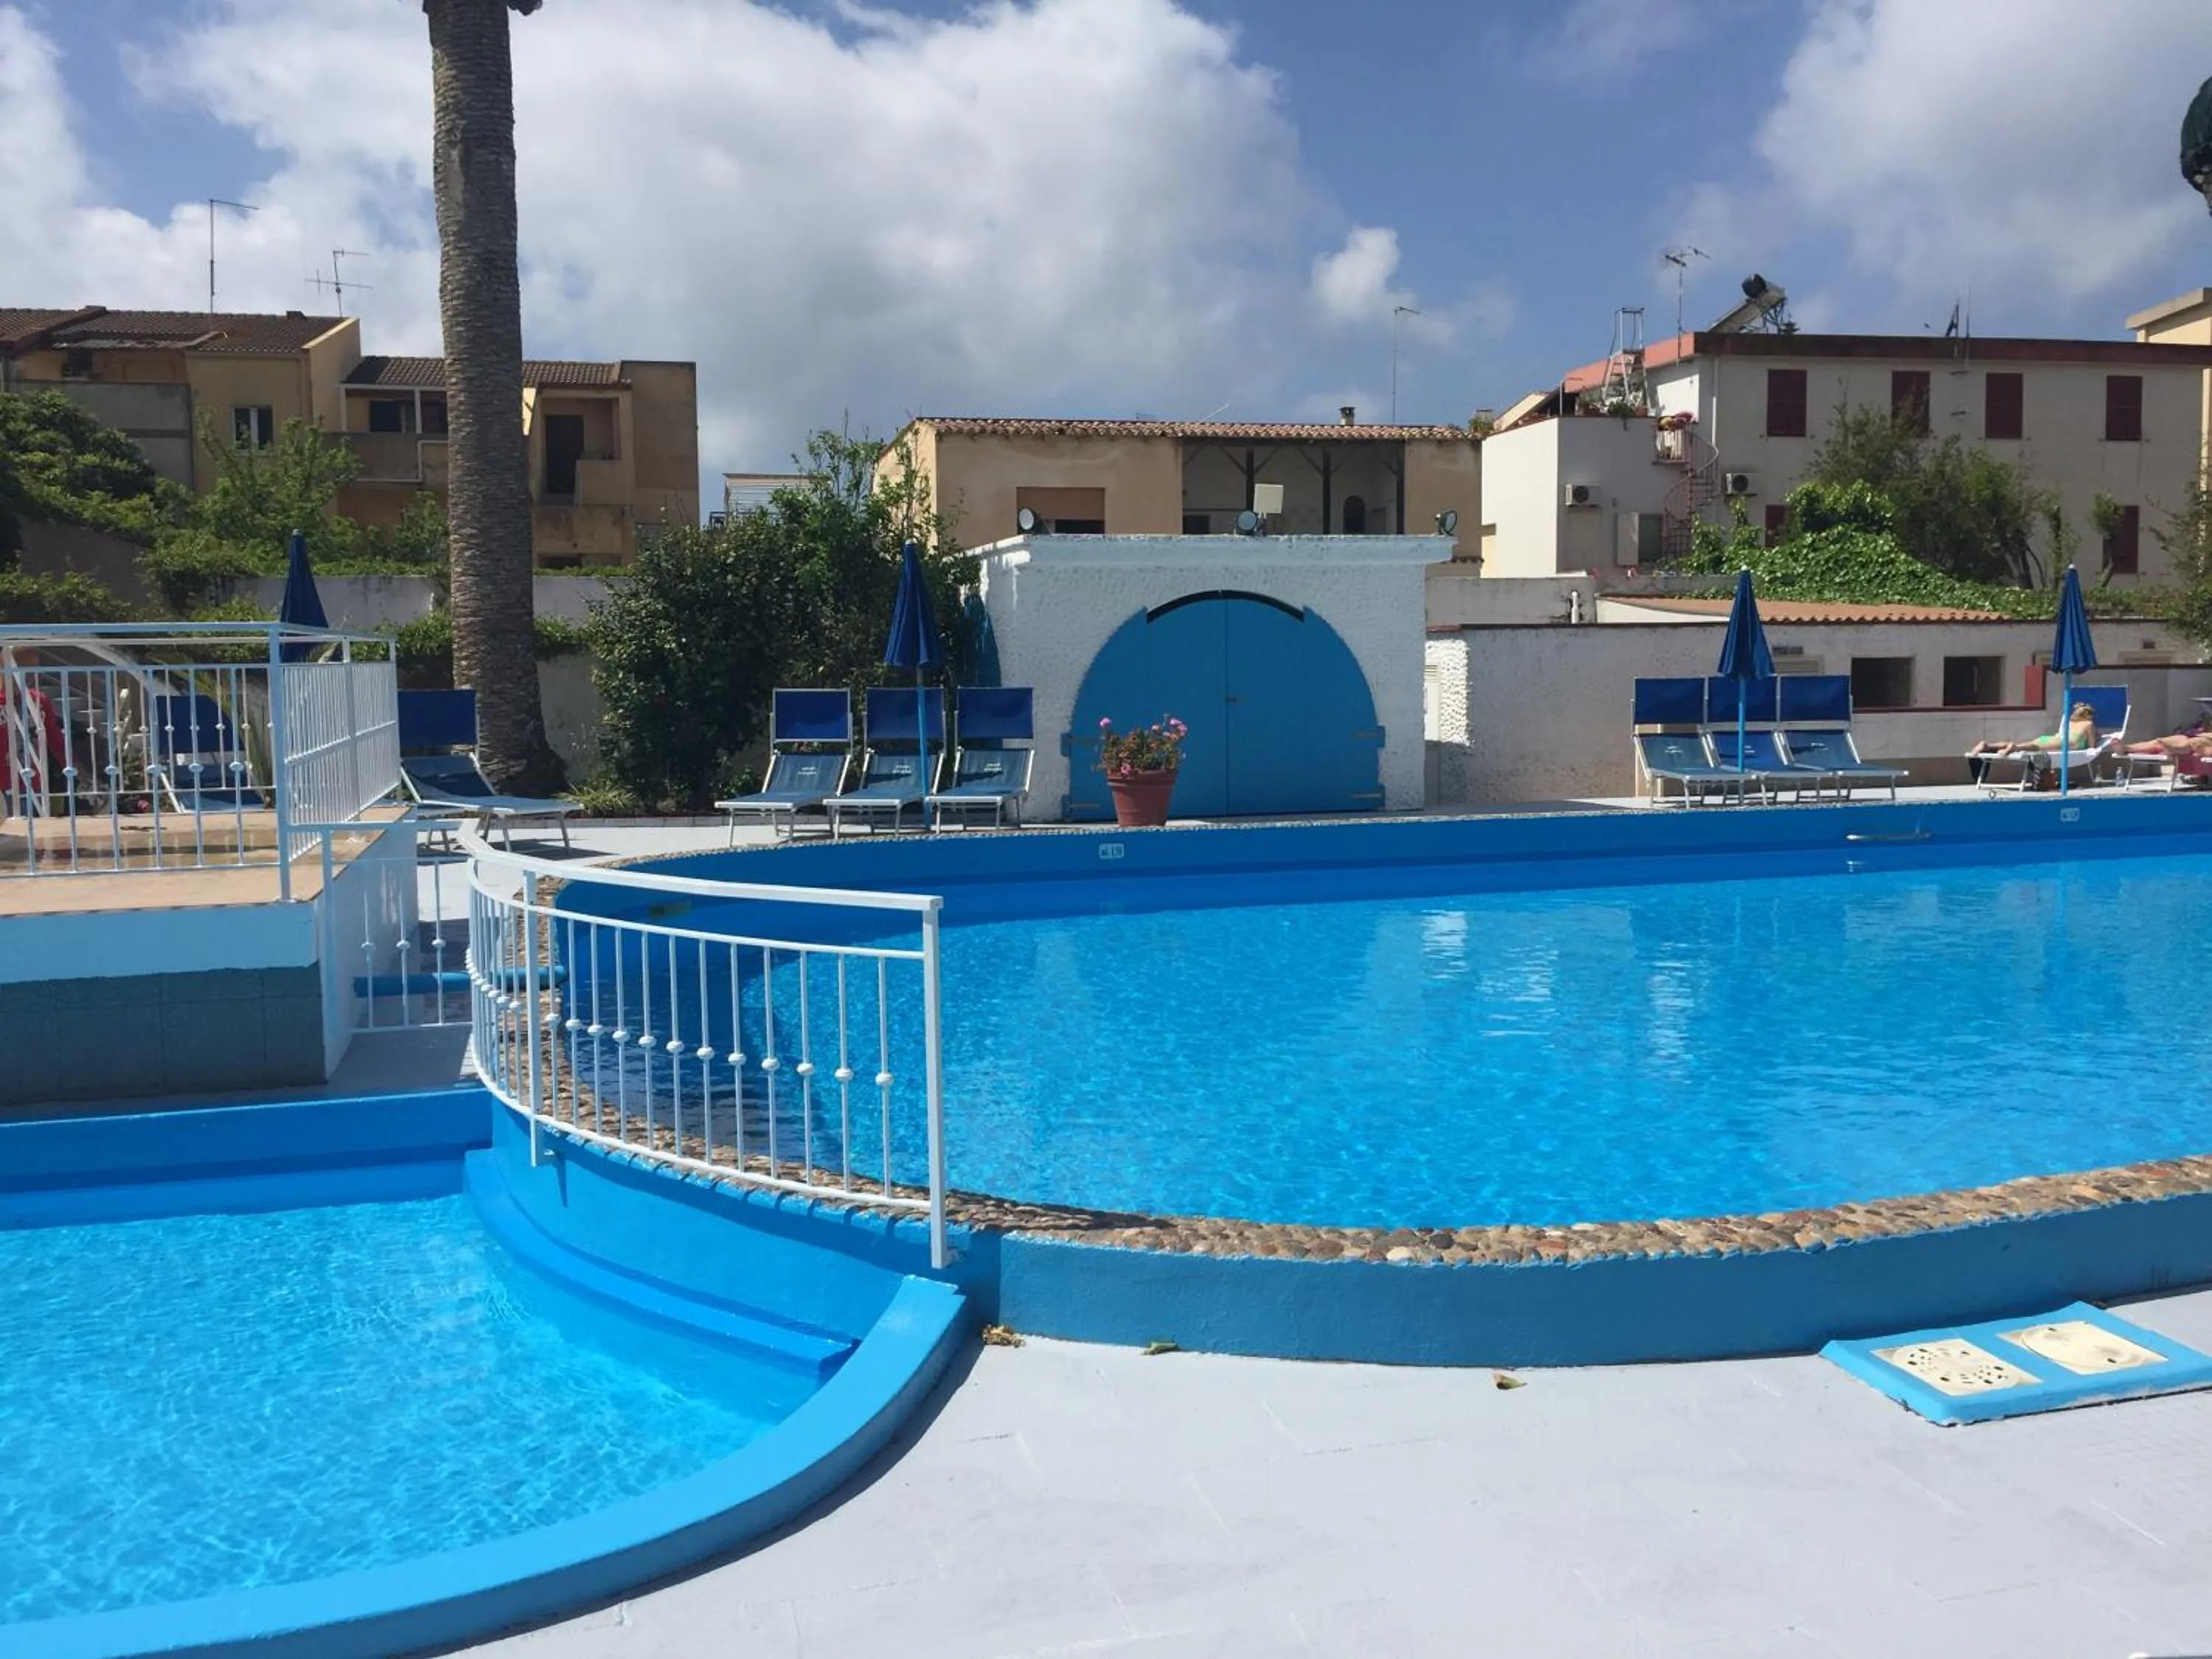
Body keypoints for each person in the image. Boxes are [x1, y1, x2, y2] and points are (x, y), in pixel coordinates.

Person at [1966, 703, 2100, 785]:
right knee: (2025, 746)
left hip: (2050, 739)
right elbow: (2092, 747)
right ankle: (2014, 748)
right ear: (2089, 716)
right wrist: (2097, 740)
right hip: (2065, 743)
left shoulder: (2070, 723)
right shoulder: (2089, 724)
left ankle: (1988, 746)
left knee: (2030, 745)